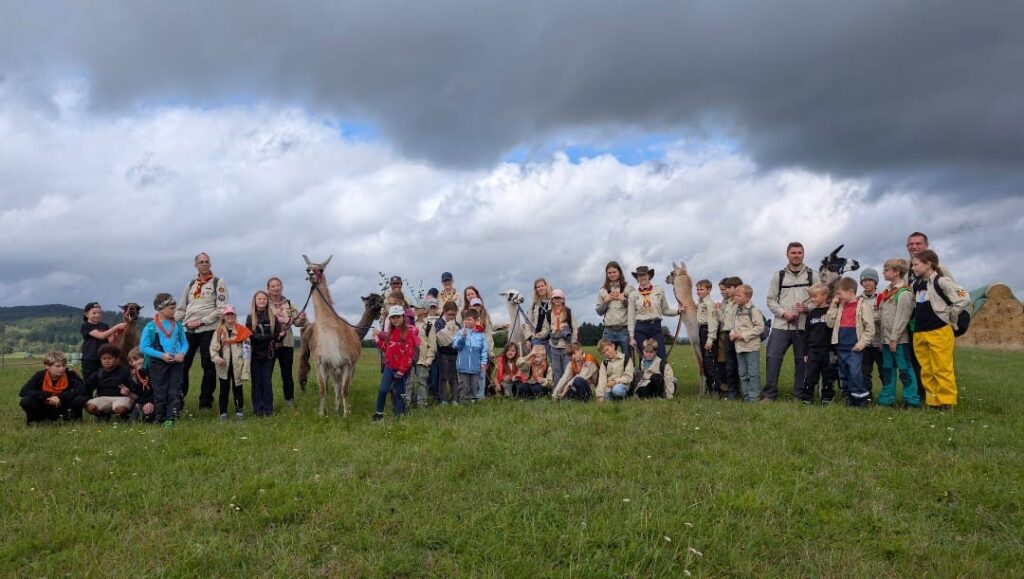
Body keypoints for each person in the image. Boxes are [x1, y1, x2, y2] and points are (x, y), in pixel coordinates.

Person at [910, 250, 968, 409]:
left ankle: (946, 402)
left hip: (939, 331)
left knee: (942, 368)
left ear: (928, 264)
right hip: (920, 332)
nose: (913, 268)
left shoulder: (942, 281)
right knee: (926, 369)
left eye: (916, 264)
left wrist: (950, 316)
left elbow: (963, 297)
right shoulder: (916, 285)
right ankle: (933, 401)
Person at [176, 252, 228, 409]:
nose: (204, 264)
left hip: (208, 329)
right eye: (201, 262)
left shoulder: (218, 282)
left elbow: (222, 308)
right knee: (182, 364)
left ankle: (205, 403)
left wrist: (200, 321)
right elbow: (181, 308)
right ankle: (178, 399)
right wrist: (169, 322)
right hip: (188, 330)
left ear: (210, 264)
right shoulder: (191, 284)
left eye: (207, 261)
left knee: (209, 366)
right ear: (196, 265)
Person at [764, 242, 813, 402]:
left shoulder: (813, 275)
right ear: (787, 255)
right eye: (793, 253)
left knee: (802, 361)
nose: (796, 255)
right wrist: (784, 313)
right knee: (772, 358)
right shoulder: (779, 276)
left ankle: (799, 395)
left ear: (803, 254)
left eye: (799, 252)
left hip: (804, 325)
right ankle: (769, 395)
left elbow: (819, 298)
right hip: (781, 325)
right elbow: (770, 300)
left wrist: (806, 308)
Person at [139, 293, 189, 427]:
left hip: (176, 363)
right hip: (158, 363)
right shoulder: (150, 327)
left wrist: (181, 354)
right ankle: (159, 417)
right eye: (171, 308)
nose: (175, 310)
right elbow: (144, 347)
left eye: (175, 307)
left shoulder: (178, 325)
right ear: (160, 309)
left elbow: (184, 342)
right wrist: (162, 355)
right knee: (160, 391)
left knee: (175, 390)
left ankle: (171, 418)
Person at [826, 277, 876, 407]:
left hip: (854, 347)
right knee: (843, 373)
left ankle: (861, 398)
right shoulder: (839, 307)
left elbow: (870, 328)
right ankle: (849, 397)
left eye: (839, 293)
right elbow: (829, 323)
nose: (838, 296)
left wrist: (862, 343)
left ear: (850, 292)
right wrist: (833, 305)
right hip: (841, 346)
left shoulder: (863, 306)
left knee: (855, 372)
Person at [878, 259, 921, 408]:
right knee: (887, 370)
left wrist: (894, 339)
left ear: (896, 272)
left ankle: (912, 401)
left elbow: (902, 318)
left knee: (905, 370)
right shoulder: (887, 292)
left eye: (886, 270)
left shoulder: (904, 293)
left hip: (899, 341)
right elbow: (883, 317)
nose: (883, 272)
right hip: (886, 340)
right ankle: (887, 399)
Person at [373, 305, 421, 420]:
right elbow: (387, 349)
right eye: (393, 317)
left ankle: (399, 415)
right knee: (383, 389)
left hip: (401, 369)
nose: (395, 320)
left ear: (403, 317)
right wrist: (377, 341)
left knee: (400, 392)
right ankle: (379, 414)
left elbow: (408, 354)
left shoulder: (408, 333)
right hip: (389, 366)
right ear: (390, 319)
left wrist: (402, 370)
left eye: (398, 317)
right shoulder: (390, 332)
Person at [627, 265, 684, 360]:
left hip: (656, 327)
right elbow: (631, 317)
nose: (642, 277)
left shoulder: (659, 290)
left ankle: (661, 370)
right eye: (639, 275)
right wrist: (632, 337)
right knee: (644, 358)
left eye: (644, 275)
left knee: (661, 357)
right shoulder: (633, 295)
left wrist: (678, 311)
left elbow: (665, 310)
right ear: (637, 278)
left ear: (649, 276)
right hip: (640, 328)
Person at [267, 277, 306, 408]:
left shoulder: (289, 304)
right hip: (270, 343)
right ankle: (267, 403)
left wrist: (301, 319)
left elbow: (297, 322)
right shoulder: (264, 303)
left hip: (287, 343)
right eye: (272, 286)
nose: (276, 288)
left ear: (282, 287)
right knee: (267, 374)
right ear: (268, 289)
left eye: (278, 285)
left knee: (287, 374)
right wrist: (277, 321)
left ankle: (289, 401)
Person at [19, 351, 87, 425]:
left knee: (80, 399)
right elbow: (24, 391)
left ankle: (73, 419)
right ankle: (36, 420)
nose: (62, 368)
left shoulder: (70, 374)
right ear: (47, 366)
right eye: (58, 366)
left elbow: (81, 389)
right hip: (44, 406)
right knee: (26, 400)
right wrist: (49, 396)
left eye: (64, 365)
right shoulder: (40, 376)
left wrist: (60, 397)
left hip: (64, 406)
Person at [798, 284, 838, 405]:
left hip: (829, 350)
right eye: (811, 297)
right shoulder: (811, 314)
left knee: (828, 375)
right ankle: (807, 397)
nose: (812, 299)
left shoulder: (832, 312)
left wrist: (836, 350)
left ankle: (827, 397)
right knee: (810, 374)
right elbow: (806, 334)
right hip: (813, 350)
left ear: (825, 296)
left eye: (815, 296)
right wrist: (805, 352)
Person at [210, 304, 251, 420]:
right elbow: (213, 348)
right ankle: (223, 413)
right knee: (223, 390)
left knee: (238, 390)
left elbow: (247, 352)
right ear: (223, 316)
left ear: (235, 316)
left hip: (238, 366)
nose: (229, 316)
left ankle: (239, 412)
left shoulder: (243, 331)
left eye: (232, 314)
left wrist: (246, 368)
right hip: (223, 366)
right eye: (227, 314)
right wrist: (216, 357)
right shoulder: (218, 332)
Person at [247, 291, 282, 417]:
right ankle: (257, 410)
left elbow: (277, 337)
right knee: (256, 382)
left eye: (264, 299)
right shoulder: (250, 318)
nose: (262, 301)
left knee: (267, 382)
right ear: (255, 301)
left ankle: (268, 409)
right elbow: (251, 337)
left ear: (267, 301)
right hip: (255, 355)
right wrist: (269, 336)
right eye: (259, 299)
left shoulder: (273, 318)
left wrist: (280, 336)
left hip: (269, 355)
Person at [730, 285, 766, 403]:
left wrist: (743, 335)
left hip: (751, 348)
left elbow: (759, 327)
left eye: (739, 295)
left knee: (753, 373)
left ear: (748, 297)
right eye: (735, 295)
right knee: (743, 373)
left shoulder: (754, 311)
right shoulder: (736, 311)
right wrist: (732, 334)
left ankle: (754, 396)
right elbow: (733, 326)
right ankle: (746, 396)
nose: (736, 297)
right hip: (739, 348)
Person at [83, 344, 134, 420]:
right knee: (90, 407)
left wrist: (129, 392)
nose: (107, 361)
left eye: (110, 358)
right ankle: (102, 416)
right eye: (104, 358)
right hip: (103, 398)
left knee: (120, 409)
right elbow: (87, 387)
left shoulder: (125, 372)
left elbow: (134, 388)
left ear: (117, 359)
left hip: (122, 398)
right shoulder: (98, 373)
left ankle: (123, 417)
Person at [595, 261, 634, 360]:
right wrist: (606, 301)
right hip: (608, 331)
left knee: (627, 359)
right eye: (609, 273)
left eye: (614, 272)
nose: (612, 274)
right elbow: (599, 312)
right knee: (609, 359)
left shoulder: (629, 289)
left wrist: (624, 300)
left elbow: (636, 309)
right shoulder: (602, 291)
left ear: (619, 272)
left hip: (624, 330)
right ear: (607, 274)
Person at [538, 289, 577, 387]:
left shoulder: (568, 311)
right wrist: (540, 334)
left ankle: (567, 389)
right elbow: (546, 329)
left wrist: (573, 344)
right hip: (554, 346)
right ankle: (557, 390)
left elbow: (574, 328)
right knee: (556, 370)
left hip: (566, 346)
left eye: (559, 297)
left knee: (567, 369)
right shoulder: (549, 313)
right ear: (552, 299)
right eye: (555, 298)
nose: (557, 300)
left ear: (563, 299)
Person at [80, 302, 125, 381]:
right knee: (89, 382)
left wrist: (117, 333)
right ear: (86, 314)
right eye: (94, 313)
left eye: (99, 313)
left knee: (103, 381)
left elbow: (109, 341)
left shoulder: (104, 325)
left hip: (103, 359)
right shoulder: (86, 326)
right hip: (90, 359)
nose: (97, 315)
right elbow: (101, 336)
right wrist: (116, 327)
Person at [716, 277, 743, 400]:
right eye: (724, 288)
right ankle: (733, 391)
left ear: (736, 288)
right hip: (728, 334)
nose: (726, 290)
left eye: (728, 288)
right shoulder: (727, 303)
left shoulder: (740, 302)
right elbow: (724, 319)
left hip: (738, 334)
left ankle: (745, 391)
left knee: (740, 363)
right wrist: (718, 310)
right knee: (730, 364)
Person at [453, 309, 488, 404]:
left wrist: (483, 363)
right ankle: (463, 402)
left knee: (475, 385)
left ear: (475, 320)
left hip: (475, 366)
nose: (466, 321)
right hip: (463, 366)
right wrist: (463, 338)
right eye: (465, 319)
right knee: (464, 386)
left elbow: (484, 350)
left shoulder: (481, 335)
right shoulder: (460, 332)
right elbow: (456, 346)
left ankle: (473, 402)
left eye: (469, 319)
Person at [859, 268, 884, 399]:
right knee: (865, 372)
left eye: (870, 280)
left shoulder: (882, 297)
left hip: (880, 341)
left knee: (884, 370)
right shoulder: (858, 300)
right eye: (864, 280)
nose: (867, 283)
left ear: (875, 282)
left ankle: (886, 396)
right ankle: (867, 396)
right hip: (865, 343)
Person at [409, 299, 438, 408]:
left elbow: (432, 344)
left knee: (422, 382)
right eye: (415, 308)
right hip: (411, 359)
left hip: (423, 359)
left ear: (425, 310)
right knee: (409, 382)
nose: (415, 309)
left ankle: (421, 404)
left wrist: (429, 359)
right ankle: (407, 403)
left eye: (418, 308)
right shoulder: (411, 323)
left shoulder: (429, 326)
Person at [695, 279, 721, 397]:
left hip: (707, 332)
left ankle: (715, 390)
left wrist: (710, 340)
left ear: (709, 290)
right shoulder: (701, 303)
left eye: (702, 289)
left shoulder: (710, 304)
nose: (698, 291)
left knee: (709, 363)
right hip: (701, 330)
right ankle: (710, 388)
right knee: (705, 363)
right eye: (697, 289)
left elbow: (713, 322)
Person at [434, 301, 461, 405]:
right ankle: (443, 399)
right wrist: (450, 339)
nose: (451, 317)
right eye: (449, 314)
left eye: (454, 315)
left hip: (454, 353)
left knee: (454, 376)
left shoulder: (457, 324)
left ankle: (455, 399)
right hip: (443, 353)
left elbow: (458, 339)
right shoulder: (439, 323)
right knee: (443, 376)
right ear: (444, 311)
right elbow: (440, 339)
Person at [125, 347, 156, 422]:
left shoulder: (154, 372)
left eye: (136, 360)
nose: (134, 363)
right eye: (132, 362)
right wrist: (134, 382)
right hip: (143, 402)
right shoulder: (134, 374)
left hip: (156, 401)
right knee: (133, 421)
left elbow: (158, 391)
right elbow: (138, 394)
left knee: (149, 417)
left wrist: (151, 402)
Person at [527, 278, 553, 351]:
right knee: (537, 358)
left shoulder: (554, 301)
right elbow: (527, 323)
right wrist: (528, 338)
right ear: (535, 289)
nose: (540, 288)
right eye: (538, 287)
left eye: (542, 286)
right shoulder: (534, 304)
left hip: (552, 338)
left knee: (552, 359)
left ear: (546, 286)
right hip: (537, 339)